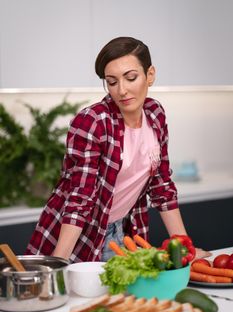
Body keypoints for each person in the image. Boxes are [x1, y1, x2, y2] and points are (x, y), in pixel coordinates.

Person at [26, 36, 211, 262]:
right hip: (78, 236)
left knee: (122, 297)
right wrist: (58, 262)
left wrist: (185, 249)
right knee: (71, 297)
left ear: (150, 75)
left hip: (124, 233)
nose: (122, 90)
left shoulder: (155, 114)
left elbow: (162, 185)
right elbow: (80, 198)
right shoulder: (93, 121)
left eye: (130, 77)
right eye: (112, 82)